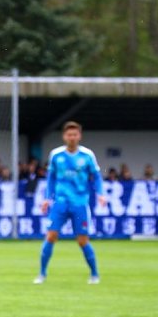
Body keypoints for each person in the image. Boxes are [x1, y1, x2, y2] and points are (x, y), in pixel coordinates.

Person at [35, 121, 106, 285]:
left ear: (79, 136)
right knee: (51, 236)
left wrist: (100, 194)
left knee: (82, 240)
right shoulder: (56, 155)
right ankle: (42, 274)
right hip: (60, 203)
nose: (72, 137)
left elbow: (96, 177)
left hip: (80, 203)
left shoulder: (87, 155)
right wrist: (47, 198)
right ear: (64, 136)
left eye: (75, 134)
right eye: (69, 134)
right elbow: (51, 178)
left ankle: (94, 274)